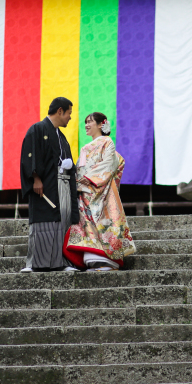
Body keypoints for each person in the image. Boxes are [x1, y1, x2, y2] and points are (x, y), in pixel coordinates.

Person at [63, 112, 137, 271]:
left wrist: (90, 178)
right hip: (85, 192)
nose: (86, 125)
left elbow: (109, 164)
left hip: (100, 190)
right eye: (85, 123)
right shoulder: (85, 147)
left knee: (103, 224)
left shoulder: (107, 142)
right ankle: (93, 261)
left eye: (90, 122)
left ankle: (107, 262)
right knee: (88, 226)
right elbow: (81, 169)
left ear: (100, 125)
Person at [19, 97, 80, 272]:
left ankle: (63, 262)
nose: (70, 117)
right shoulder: (37, 129)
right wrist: (36, 178)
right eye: (69, 113)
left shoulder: (61, 136)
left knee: (63, 221)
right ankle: (34, 263)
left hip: (62, 185)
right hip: (45, 186)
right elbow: (29, 155)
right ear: (60, 111)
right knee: (43, 224)